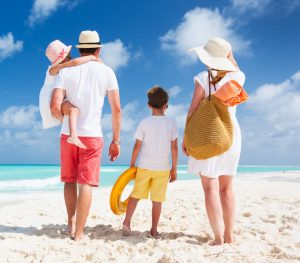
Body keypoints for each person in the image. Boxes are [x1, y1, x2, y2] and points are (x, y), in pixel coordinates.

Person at [50, 30, 121, 241]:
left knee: (69, 181)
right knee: (86, 184)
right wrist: (116, 140)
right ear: (98, 50)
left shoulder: (65, 72)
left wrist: (66, 118)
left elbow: (55, 106)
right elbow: (116, 110)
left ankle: (70, 223)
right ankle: (79, 234)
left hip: (67, 135)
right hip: (92, 136)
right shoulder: (107, 72)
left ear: (80, 49)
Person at [182, 37, 246, 245]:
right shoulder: (239, 76)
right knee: (227, 188)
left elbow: (192, 109)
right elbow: (234, 68)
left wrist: (186, 136)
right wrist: (230, 58)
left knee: (210, 188)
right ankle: (229, 234)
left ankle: (218, 237)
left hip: (207, 133)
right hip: (230, 134)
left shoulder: (202, 77)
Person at [122, 86, 178, 238]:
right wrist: (174, 168)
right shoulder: (171, 123)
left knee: (136, 195)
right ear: (166, 104)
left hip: (145, 167)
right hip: (163, 169)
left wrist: (132, 165)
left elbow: (137, 146)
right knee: (157, 200)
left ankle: (126, 222)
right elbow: (174, 148)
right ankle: (154, 229)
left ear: (149, 105)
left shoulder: (144, 123)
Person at [39, 39, 100, 148]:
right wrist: (93, 57)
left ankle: (73, 135)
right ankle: (73, 136)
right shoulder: (52, 70)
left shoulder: (61, 70)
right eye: (69, 56)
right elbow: (75, 62)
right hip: (49, 101)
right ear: (62, 59)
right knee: (73, 110)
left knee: (73, 111)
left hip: (57, 99)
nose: (72, 58)